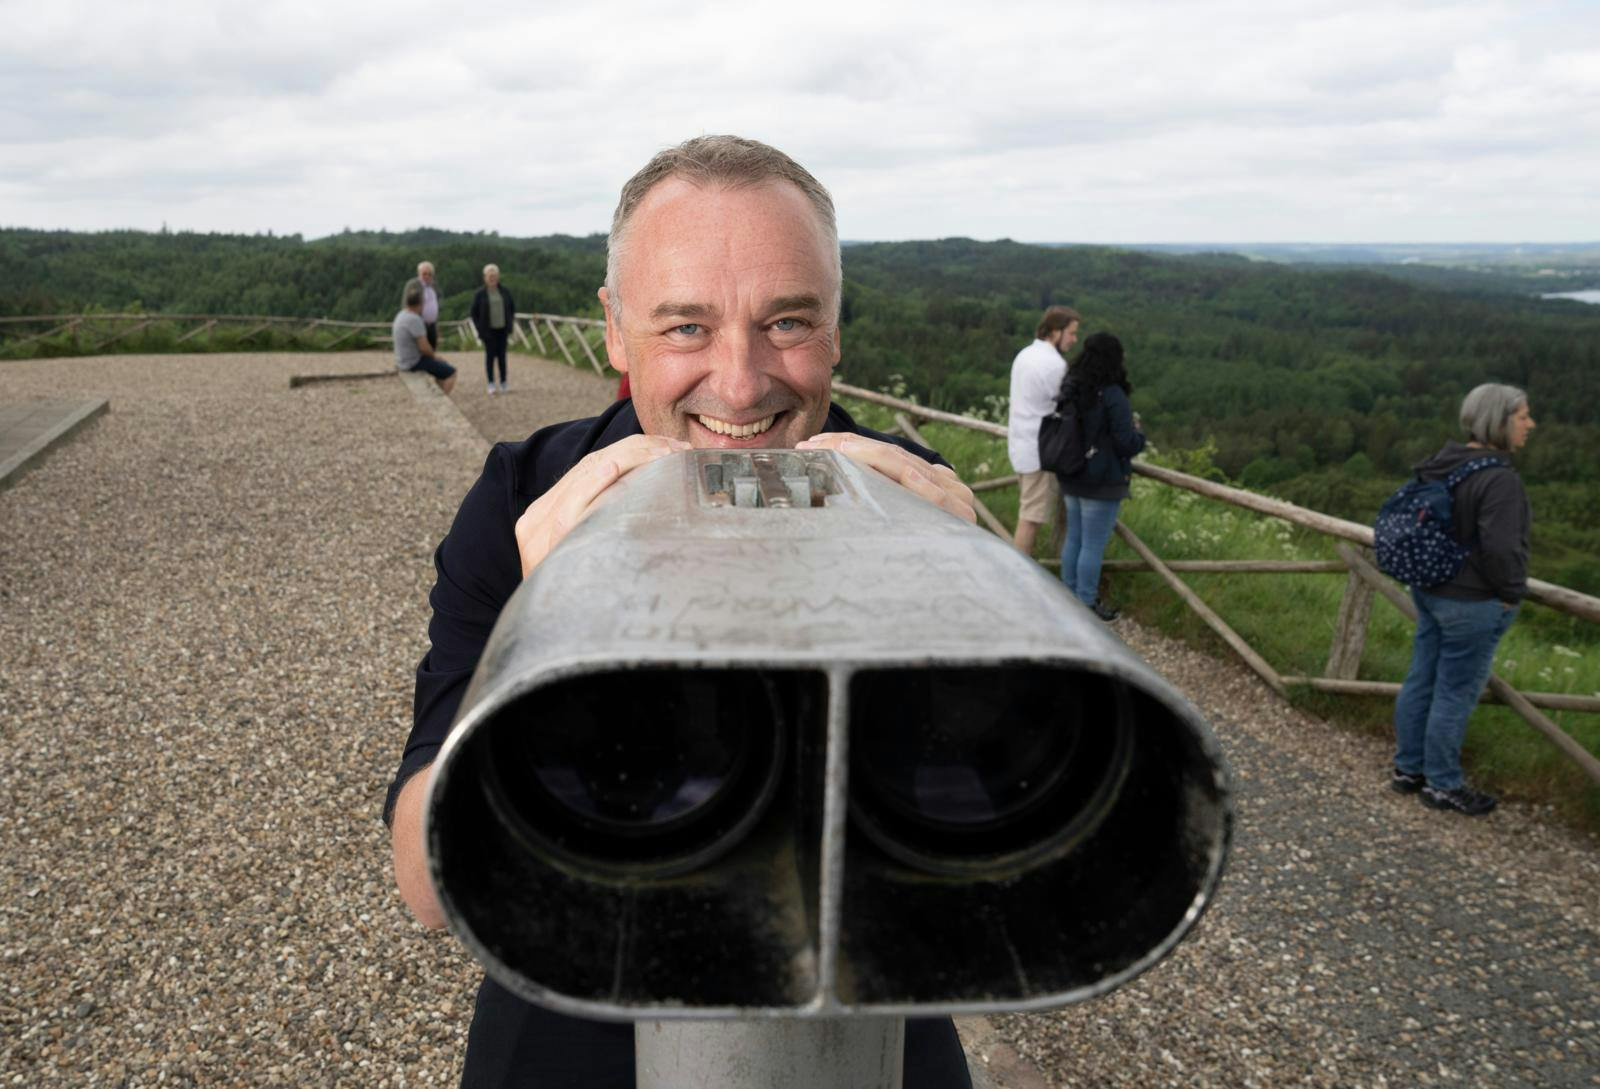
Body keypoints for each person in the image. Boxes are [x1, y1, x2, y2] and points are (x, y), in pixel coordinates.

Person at [384, 135, 977, 1089]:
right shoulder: (526, 500)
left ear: (836, 329)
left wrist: (980, 625)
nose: (740, 383)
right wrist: (547, 637)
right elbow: (426, 880)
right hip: (578, 1020)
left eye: (787, 321)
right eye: (687, 328)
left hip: (862, 1026)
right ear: (616, 332)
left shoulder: (907, 501)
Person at [1391, 383, 1535, 816]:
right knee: (1454, 693)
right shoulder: (1499, 479)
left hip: (1430, 589)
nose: (1530, 424)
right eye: (1523, 416)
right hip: (1472, 602)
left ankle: (1408, 770)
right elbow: (1501, 549)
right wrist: (1510, 594)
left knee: (1422, 679)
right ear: (1498, 420)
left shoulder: (1442, 463)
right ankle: (1443, 784)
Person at [1056, 332, 1143, 621]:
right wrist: (1139, 435)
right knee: (1092, 545)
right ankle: (1085, 604)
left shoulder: (1073, 387)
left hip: (1072, 474)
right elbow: (1125, 443)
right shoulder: (1113, 394)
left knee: (1074, 539)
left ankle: (1067, 597)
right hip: (1102, 481)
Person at [1006, 306, 1080, 555]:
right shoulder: (1054, 365)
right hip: (1041, 451)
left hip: (1020, 445)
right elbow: (1067, 405)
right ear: (1056, 331)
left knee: (1029, 512)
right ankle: (1016, 571)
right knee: (1030, 519)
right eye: (1071, 333)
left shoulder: (1025, 354)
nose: (1074, 339)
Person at [392, 278, 457, 394]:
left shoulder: (401, 315)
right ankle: (441, 399)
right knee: (451, 372)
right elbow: (424, 347)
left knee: (440, 368)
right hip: (413, 363)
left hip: (401, 360)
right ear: (420, 304)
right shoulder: (415, 319)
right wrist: (435, 356)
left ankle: (438, 392)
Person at [470, 265, 517, 395]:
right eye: (490, 276)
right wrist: (479, 328)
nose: (492, 278)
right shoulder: (480, 294)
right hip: (488, 331)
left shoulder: (505, 291)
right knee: (490, 357)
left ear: (498, 277)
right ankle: (491, 383)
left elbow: (512, 308)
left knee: (502, 357)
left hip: (502, 330)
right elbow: (474, 313)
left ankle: (503, 382)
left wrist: (510, 323)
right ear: (485, 278)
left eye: (494, 276)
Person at [418, 261, 443, 350]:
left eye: (430, 274)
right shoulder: (414, 286)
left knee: (432, 350)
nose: (427, 276)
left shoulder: (434, 286)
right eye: (424, 274)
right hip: (419, 325)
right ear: (419, 274)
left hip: (432, 326)